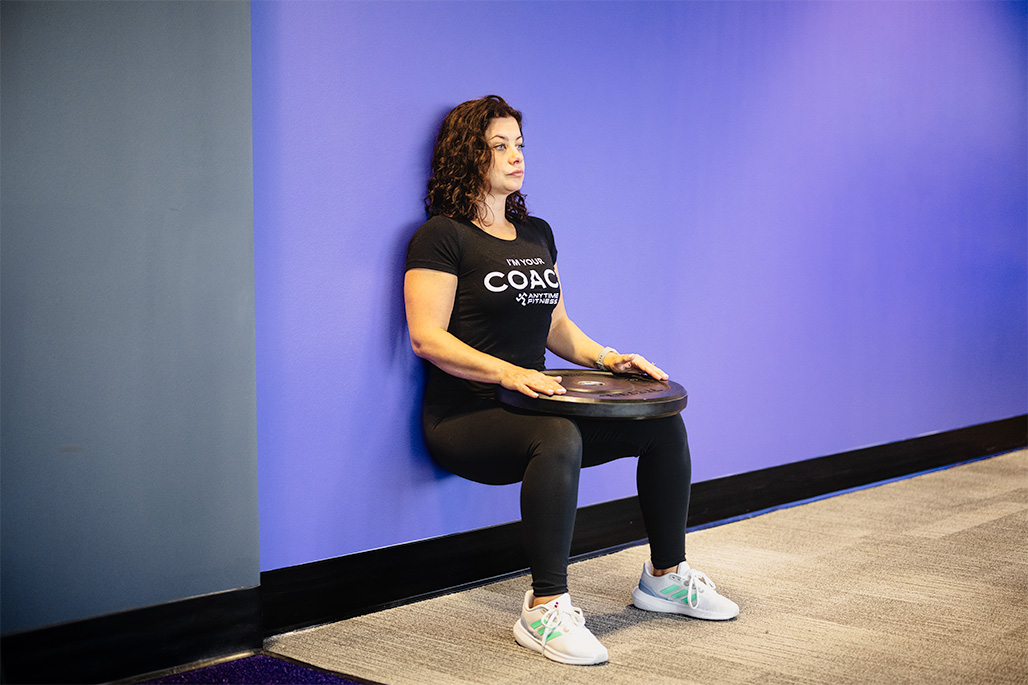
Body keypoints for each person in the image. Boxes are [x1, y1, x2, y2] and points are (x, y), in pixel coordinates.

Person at [404, 95, 738, 666]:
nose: (516, 157)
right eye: (499, 145)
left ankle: (664, 575)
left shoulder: (536, 233)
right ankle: (545, 607)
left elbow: (555, 323)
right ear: (468, 155)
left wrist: (609, 359)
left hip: (533, 405)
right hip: (465, 416)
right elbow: (426, 338)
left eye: (520, 145)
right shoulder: (441, 236)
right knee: (558, 437)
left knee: (661, 423)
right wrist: (510, 371)